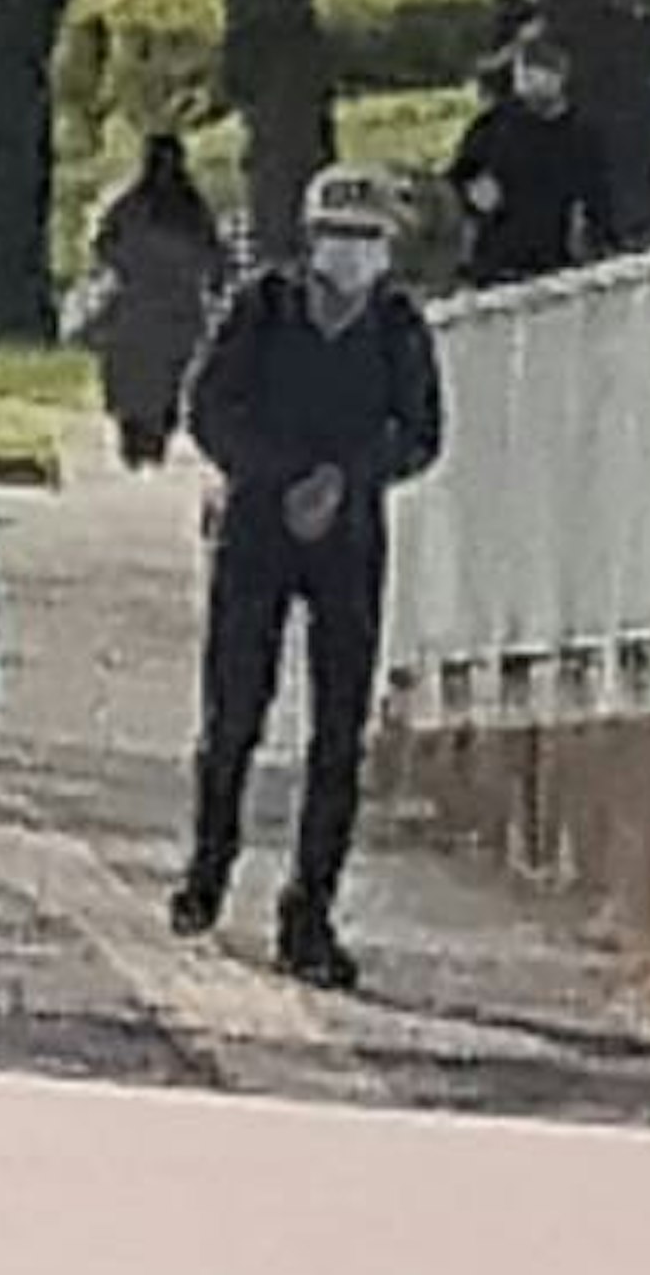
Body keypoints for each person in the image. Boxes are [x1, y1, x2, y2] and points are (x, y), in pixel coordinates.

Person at [172, 167, 445, 994]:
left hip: (350, 540)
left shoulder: (398, 325)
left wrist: (347, 478)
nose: (352, 254)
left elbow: (422, 431)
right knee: (233, 713)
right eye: (340, 236)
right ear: (311, 236)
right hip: (257, 527)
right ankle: (208, 867)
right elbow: (209, 405)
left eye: (369, 239)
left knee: (338, 732)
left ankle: (310, 910)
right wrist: (278, 475)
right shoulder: (262, 307)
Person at [75, 126, 229, 468]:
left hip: (150, 308)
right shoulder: (185, 209)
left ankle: (148, 436)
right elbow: (214, 255)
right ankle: (141, 436)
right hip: (160, 308)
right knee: (147, 379)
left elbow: (103, 245)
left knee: (150, 380)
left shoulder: (158, 207)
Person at [448, 32, 615, 293]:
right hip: (495, 266)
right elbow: (458, 178)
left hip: (554, 267)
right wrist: (472, 193)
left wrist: (588, 242)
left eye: (538, 70)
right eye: (523, 71)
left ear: (560, 77)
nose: (526, 80)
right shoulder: (495, 126)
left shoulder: (581, 136)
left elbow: (598, 202)